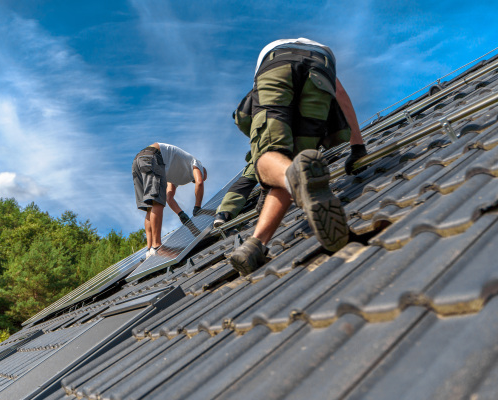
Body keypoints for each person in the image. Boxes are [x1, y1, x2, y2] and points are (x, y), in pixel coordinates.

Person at [229, 38, 367, 276]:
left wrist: (262, 156)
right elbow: (341, 93)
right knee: (294, 168)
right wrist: (358, 146)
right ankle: (256, 244)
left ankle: (257, 241)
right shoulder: (318, 51)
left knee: (269, 157)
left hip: (276, 63)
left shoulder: (265, 64)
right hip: (321, 69)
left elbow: (246, 120)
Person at [132, 142, 207, 259]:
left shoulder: (177, 175)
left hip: (138, 161)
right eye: (202, 174)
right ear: (202, 170)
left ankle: (150, 249)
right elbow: (200, 182)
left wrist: (180, 213)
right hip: (153, 157)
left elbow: (169, 197)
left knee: (149, 207)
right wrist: (197, 207)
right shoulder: (196, 163)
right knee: (157, 201)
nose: (201, 176)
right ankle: (157, 246)